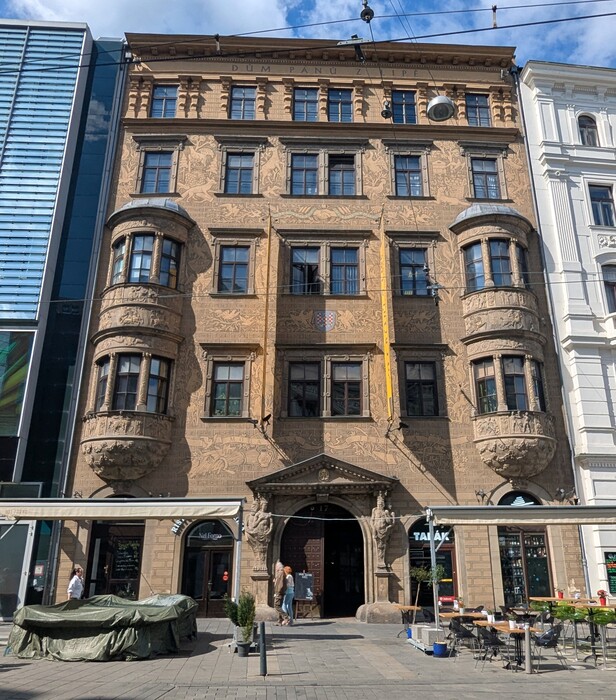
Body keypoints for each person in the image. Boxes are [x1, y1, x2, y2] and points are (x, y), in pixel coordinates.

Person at [273, 560, 289, 625]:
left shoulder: (281, 573)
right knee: (279, 605)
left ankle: (286, 617)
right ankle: (280, 620)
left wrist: (278, 592)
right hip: (280, 592)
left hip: (279, 593)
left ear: (279, 567)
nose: (275, 569)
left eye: (276, 567)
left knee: (276, 606)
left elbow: (281, 584)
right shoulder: (281, 573)